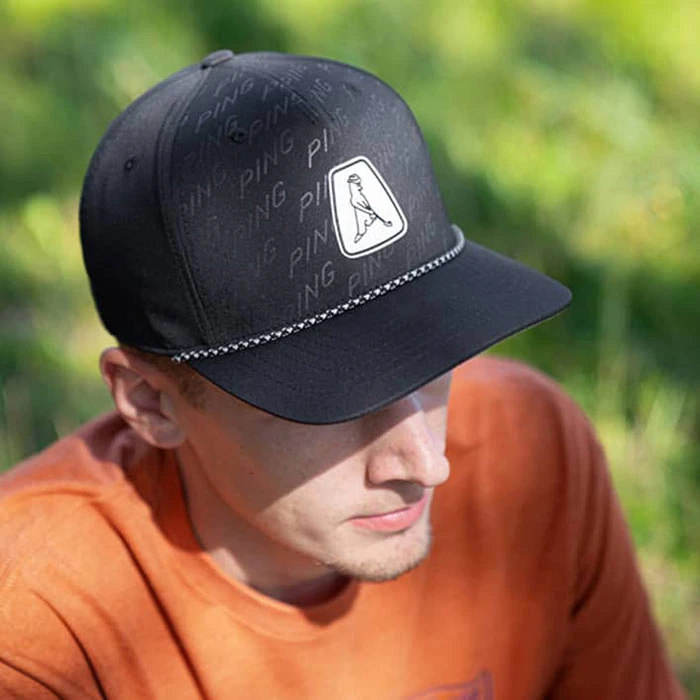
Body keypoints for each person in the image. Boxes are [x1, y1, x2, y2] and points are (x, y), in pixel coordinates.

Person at [0, 49, 686, 699]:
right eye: (333, 399)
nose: (426, 462)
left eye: (430, 358)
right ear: (151, 402)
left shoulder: (529, 448)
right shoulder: (36, 619)